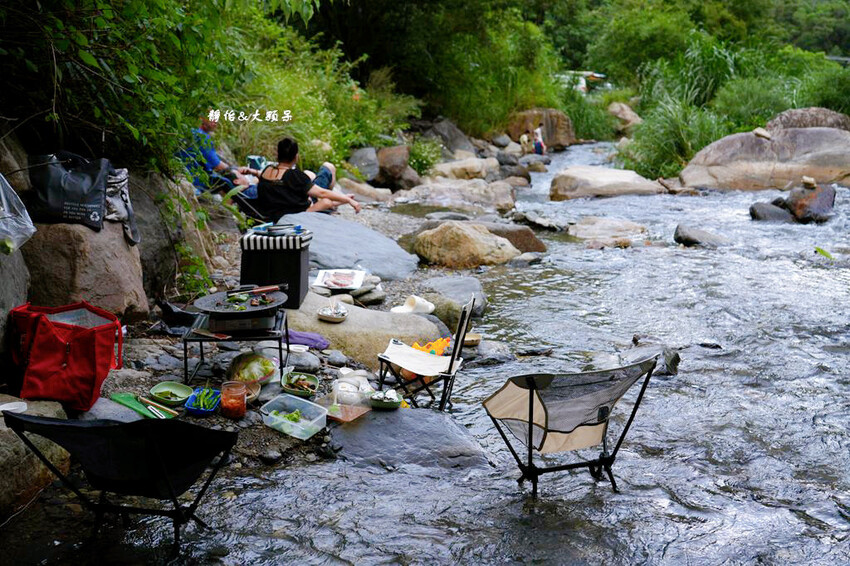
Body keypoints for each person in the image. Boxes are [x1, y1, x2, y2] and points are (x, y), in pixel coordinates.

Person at [254, 137, 361, 221]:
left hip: (278, 211)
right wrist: (348, 200)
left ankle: (337, 200)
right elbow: (322, 193)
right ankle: (339, 200)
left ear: (277, 155)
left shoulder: (267, 170)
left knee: (309, 175)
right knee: (328, 169)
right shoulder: (293, 175)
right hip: (299, 213)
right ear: (296, 157)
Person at [180, 116, 260, 193]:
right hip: (195, 180)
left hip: (187, 173)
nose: (215, 121)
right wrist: (236, 170)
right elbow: (217, 165)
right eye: (212, 118)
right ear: (202, 118)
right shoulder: (202, 137)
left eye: (216, 118)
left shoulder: (192, 131)